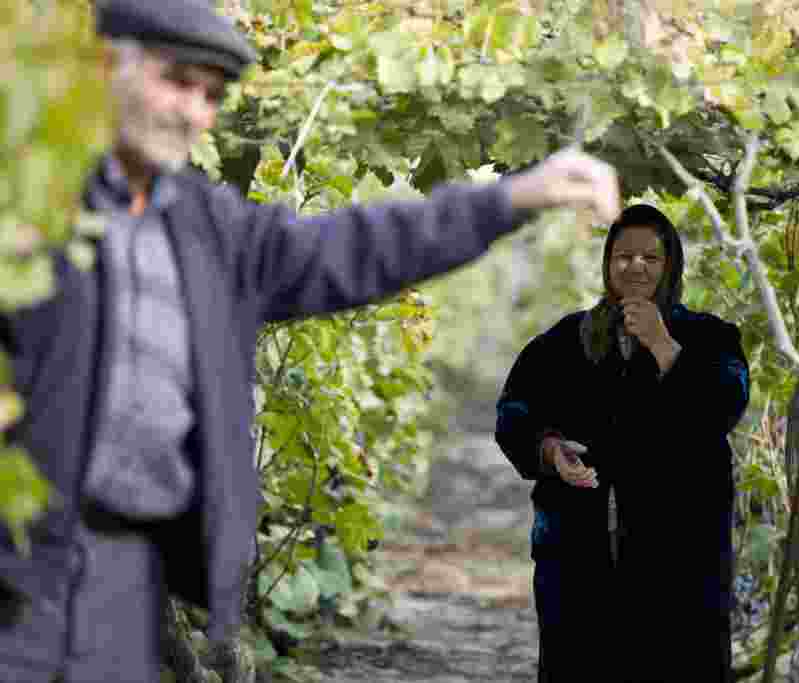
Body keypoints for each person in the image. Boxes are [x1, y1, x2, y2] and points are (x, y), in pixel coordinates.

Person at [0, 0, 621, 680]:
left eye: (210, 95)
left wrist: (512, 199)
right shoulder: (27, 199)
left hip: (128, 572)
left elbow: (356, 248)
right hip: (16, 571)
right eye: (175, 82)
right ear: (102, 68)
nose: (193, 113)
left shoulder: (209, 230)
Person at [495, 204, 749, 682]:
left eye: (650, 258)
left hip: (680, 559)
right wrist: (549, 450)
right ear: (608, 263)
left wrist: (664, 345)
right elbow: (515, 411)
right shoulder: (564, 341)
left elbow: (725, 405)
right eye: (624, 256)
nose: (636, 267)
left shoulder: (711, 339)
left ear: (670, 266)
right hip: (578, 553)